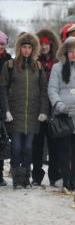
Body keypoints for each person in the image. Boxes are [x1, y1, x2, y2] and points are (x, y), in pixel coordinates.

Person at [0, 33, 48, 188]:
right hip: (14, 114)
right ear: (19, 48)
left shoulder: (38, 67)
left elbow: (43, 90)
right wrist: (6, 110)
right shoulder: (10, 65)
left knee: (28, 148)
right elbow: (3, 90)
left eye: (29, 47)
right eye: (24, 47)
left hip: (32, 115)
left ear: (33, 49)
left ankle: (25, 178)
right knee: (16, 147)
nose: (26, 50)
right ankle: (16, 179)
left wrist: (43, 110)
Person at [48, 37, 75, 190]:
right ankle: (66, 179)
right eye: (70, 51)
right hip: (62, 114)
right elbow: (52, 89)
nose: (73, 54)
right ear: (65, 53)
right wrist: (60, 105)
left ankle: (74, 179)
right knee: (64, 148)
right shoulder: (56, 68)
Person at [32, 29, 61, 186]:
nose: (43, 47)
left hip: (54, 107)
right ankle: (36, 175)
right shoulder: (34, 62)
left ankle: (54, 175)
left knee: (53, 143)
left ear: (51, 45)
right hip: (37, 107)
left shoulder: (58, 62)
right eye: (41, 44)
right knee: (37, 143)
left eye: (46, 44)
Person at [0, 30, 12, 186]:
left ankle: (0, 173)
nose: (0, 46)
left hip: (3, 103)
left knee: (2, 141)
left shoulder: (9, 61)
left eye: (2, 44)